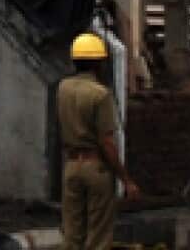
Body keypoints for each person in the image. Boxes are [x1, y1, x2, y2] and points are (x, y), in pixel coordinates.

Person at [59, 32, 141, 250]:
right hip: (95, 169)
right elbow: (106, 142)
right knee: (98, 236)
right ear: (99, 63)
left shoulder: (63, 88)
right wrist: (126, 179)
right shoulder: (100, 94)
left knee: (72, 233)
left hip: (71, 167)